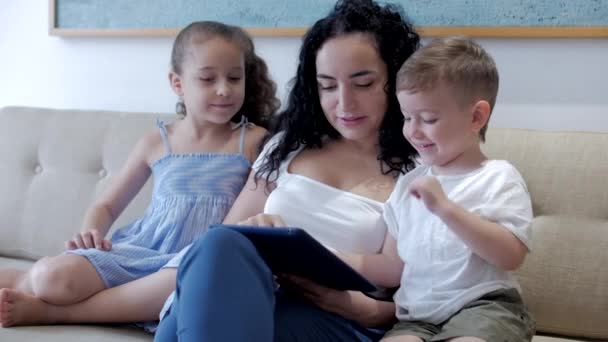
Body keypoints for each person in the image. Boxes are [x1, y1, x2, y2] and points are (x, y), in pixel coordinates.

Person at [153, 0, 420, 341]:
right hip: (260, 294)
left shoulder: (423, 168)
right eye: (327, 86)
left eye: (363, 83)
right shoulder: (288, 147)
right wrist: (256, 230)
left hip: (341, 320)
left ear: (396, 78)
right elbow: (225, 240)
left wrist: (360, 308)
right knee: (220, 242)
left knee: (190, 324)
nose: (344, 102)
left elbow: (432, 297)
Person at [0, 21, 279, 329]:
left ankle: (47, 312)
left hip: (193, 260)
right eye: (208, 78)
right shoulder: (156, 141)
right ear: (177, 83)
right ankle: (22, 279)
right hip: (140, 251)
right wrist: (91, 234)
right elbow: (105, 206)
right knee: (52, 278)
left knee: (185, 291)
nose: (224, 89)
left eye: (234, 78)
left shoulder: (254, 140)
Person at [380, 36, 535, 342]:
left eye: (428, 118)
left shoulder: (498, 178)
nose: (413, 130)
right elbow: (390, 266)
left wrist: (446, 209)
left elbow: (511, 256)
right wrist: (324, 256)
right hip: (417, 318)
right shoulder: (409, 183)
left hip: (485, 308)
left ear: (476, 117)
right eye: (407, 117)